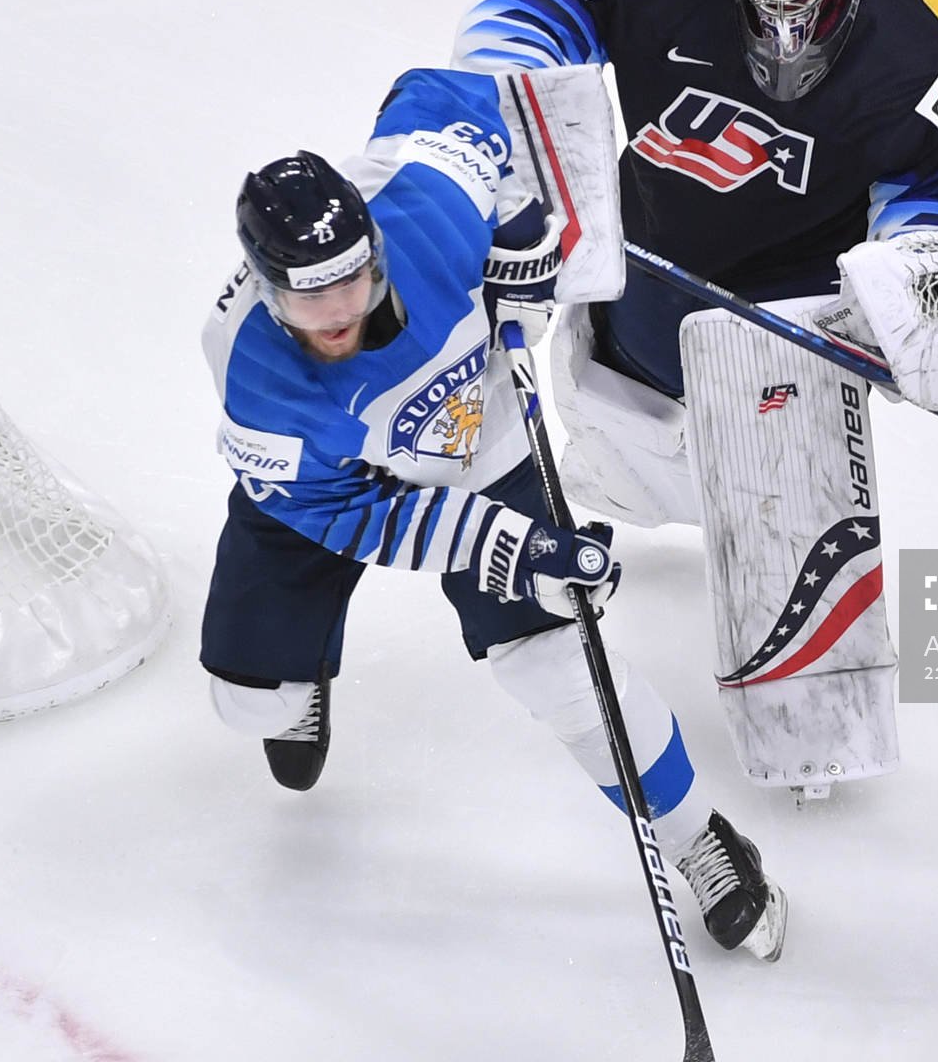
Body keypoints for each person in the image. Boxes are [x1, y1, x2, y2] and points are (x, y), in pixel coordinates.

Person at [452, 0, 938, 798]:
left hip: (793, 305)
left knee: (786, 507)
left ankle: (810, 715)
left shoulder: (908, 54)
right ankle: (618, 487)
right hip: (647, 255)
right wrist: (513, 91)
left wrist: (931, 281)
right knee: (621, 429)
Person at [197, 67, 786, 960]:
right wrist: (508, 546)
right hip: (330, 489)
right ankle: (296, 670)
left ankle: (698, 838)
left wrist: (521, 256)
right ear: (268, 291)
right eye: (310, 301)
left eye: (352, 284)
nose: (340, 315)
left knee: (554, 663)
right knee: (247, 703)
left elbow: (443, 94)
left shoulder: (426, 202)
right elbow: (356, 518)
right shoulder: (255, 381)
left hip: (485, 442)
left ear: (373, 250)